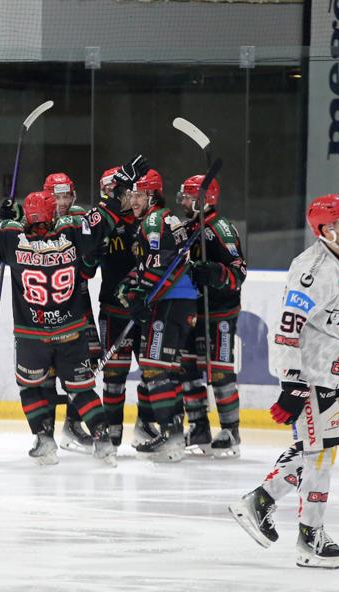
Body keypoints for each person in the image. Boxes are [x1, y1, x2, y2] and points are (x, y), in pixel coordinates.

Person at [0, 154, 148, 466]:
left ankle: (44, 439)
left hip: (32, 335)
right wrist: (120, 185)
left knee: (30, 386)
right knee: (82, 389)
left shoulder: (11, 239)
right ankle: (103, 441)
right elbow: (106, 215)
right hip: (71, 330)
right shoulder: (72, 232)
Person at [229, 194, 339, 570]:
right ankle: (310, 538)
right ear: (325, 230)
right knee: (320, 455)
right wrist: (292, 381)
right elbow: (287, 328)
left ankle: (259, 501)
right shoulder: (311, 270)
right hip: (309, 374)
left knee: (319, 449)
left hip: (334, 370)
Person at [118, 167, 199, 462]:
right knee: (167, 368)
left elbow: (158, 265)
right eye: (131, 195)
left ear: (152, 196)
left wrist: (140, 295)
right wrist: (132, 285)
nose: (133, 200)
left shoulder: (153, 221)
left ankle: (171, 436)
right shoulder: (165, 219)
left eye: (139, 195)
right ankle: (172, 432)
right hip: (181, 302)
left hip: (170, 302)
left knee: (153, 368)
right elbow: (154, 264)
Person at [180, 173, 246, 457]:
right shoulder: (190, 228)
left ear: (203, 199)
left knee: (219, 370)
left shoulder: (221, 228)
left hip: (219, 312)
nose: (183, 201)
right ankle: (198, 427)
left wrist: (216, 273)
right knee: (188, 368)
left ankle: (231, 431)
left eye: (188, 197)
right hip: (193, 310)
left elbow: (239, 271)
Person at [36, 171, 98, 453]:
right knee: (46, 370)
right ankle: (45, 433)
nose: (62, 202)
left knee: (85, 366)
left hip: (78, 304)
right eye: (56, 196)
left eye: (66, 196)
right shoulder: (35, 219)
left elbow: (89, 267)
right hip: (46, 308)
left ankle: (72, 425)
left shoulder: (81, 218)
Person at [94, 166, 147, 448]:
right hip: (113, 309)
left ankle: (146, 426)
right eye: (108, 191)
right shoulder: (101, 222)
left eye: (121, 191)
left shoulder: (145, 221)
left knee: (152, 373)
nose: (117, 197)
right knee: (114, 376)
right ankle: (112, 433)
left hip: (146, 309)